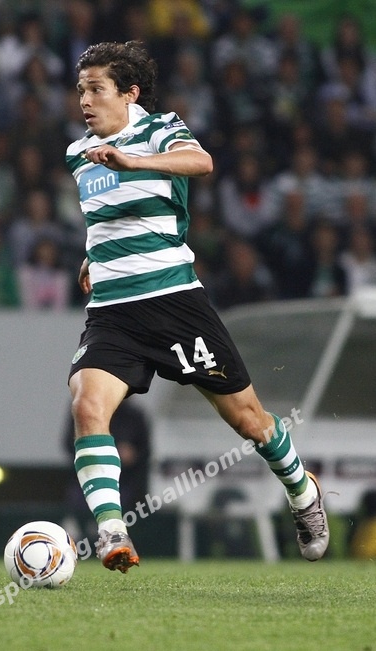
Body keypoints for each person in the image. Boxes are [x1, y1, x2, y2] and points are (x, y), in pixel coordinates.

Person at [65, 41, 330, 573]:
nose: (85, 101)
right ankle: (112, 532)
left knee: (249, 422)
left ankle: (303, 491)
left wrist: (134, 160)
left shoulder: (160, 130)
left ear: (129, 93)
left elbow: (201, 162)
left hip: (175, 304)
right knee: (87, 407)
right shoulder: (77, 153)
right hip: (113, 312)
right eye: (80, 91)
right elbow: (109, 216)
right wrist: (92, 255)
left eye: (96, 89)